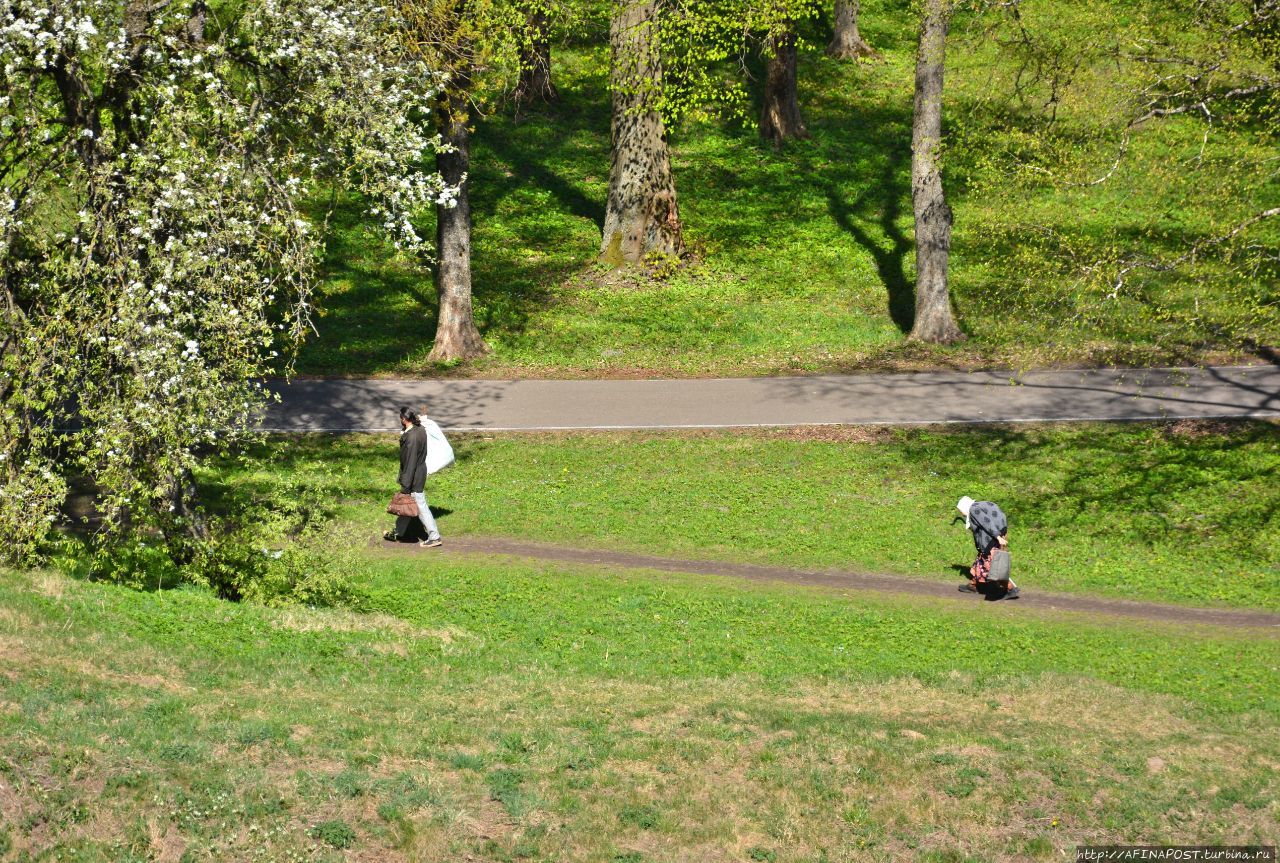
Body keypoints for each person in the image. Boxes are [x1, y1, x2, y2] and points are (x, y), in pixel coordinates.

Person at [383, 406, 442, 548]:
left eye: (400, 418)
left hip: (413, 476)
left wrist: (405, 484)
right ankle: (397, 533)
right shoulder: (419, 429)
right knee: (406, 504)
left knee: (420, 505)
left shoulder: (411, 438)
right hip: (417, 472)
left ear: (403, 419)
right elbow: (421, 423)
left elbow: (410, 462)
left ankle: (434, 536)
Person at [955, 495, 1018, 599]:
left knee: (992, 565)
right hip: (997, 534)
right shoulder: (982, 504)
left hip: (992, 539)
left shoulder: (974, 509)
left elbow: (986, 522)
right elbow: (999, 515)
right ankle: (972, 585)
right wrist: (1002, 533)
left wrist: (997, 536)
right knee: (980, 561)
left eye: (961, 510)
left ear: (964, 506)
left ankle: (1010, 589)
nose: (961, 513)